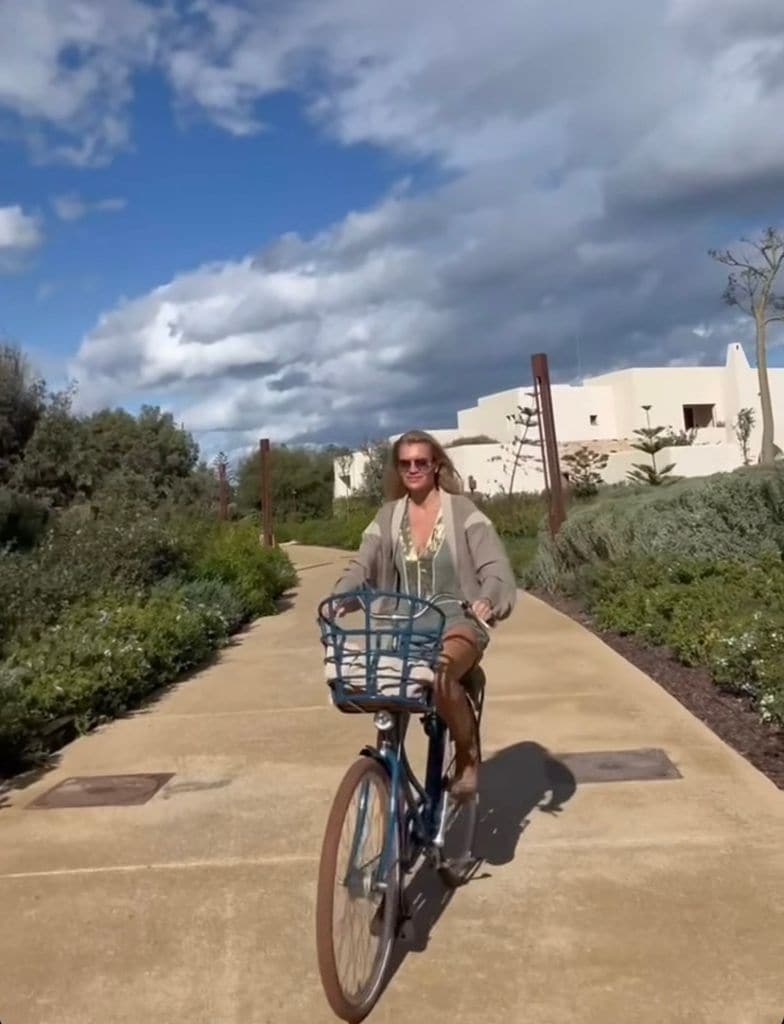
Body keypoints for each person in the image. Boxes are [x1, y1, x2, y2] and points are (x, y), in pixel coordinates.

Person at [329, 429, 517, 800]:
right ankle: (389, 783)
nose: (413, 469)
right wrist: (344, 594)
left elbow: (495, 569)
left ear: (436, 466)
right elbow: (362, 565)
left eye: (421, 462)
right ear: (397, 469)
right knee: (383, 696)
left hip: (458, 621)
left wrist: (487, 598)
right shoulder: (388, 517)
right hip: (403, 626)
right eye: (405, 464)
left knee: (442, 674)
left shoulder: (463, 512)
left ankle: (468, 756)